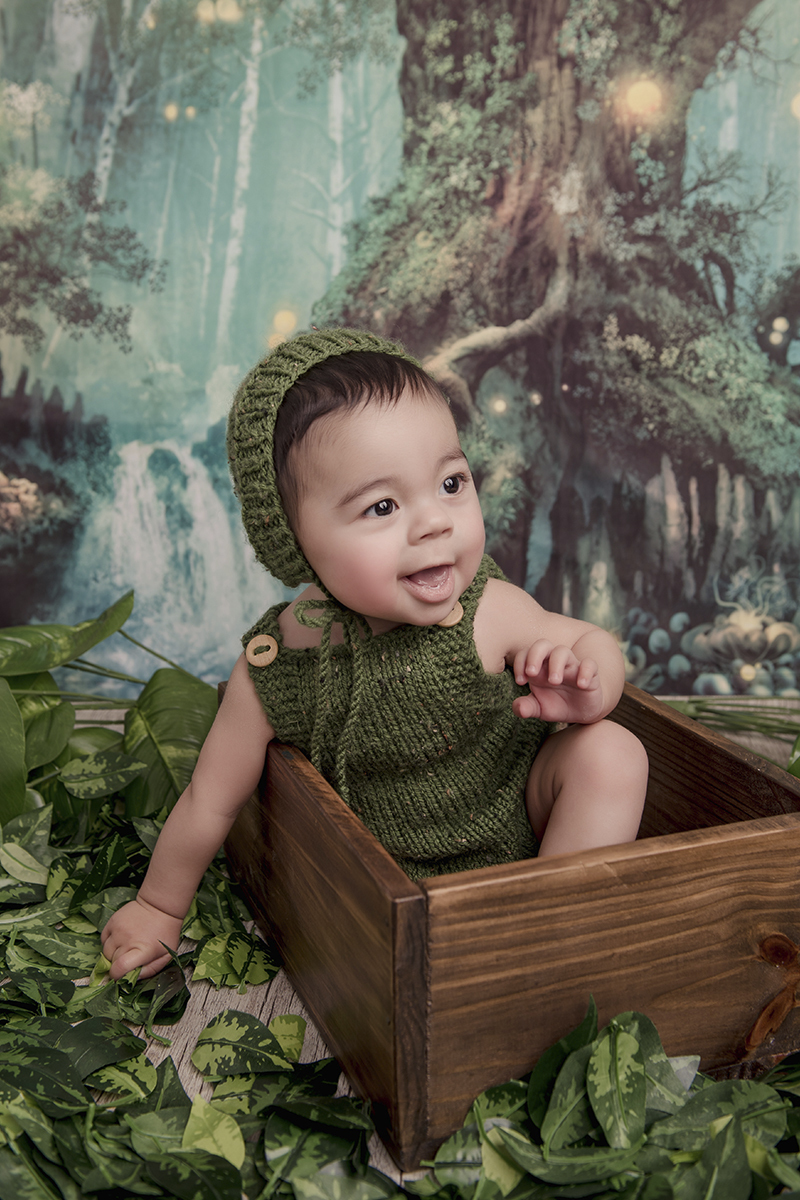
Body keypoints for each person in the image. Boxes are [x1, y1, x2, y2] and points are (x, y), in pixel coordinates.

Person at [102, 328, 648, 980]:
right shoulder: (279, 666)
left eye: (451, 483)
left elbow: (592, 641)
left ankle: (548, 938)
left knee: (612, 753)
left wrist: (589, 683)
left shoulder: (486, 609)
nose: (435, 522)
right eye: (382, 505)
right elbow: (209, 802)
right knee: (390, 925)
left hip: (525, 825)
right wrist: (159, 907)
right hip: (386, 887)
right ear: (294, 538)